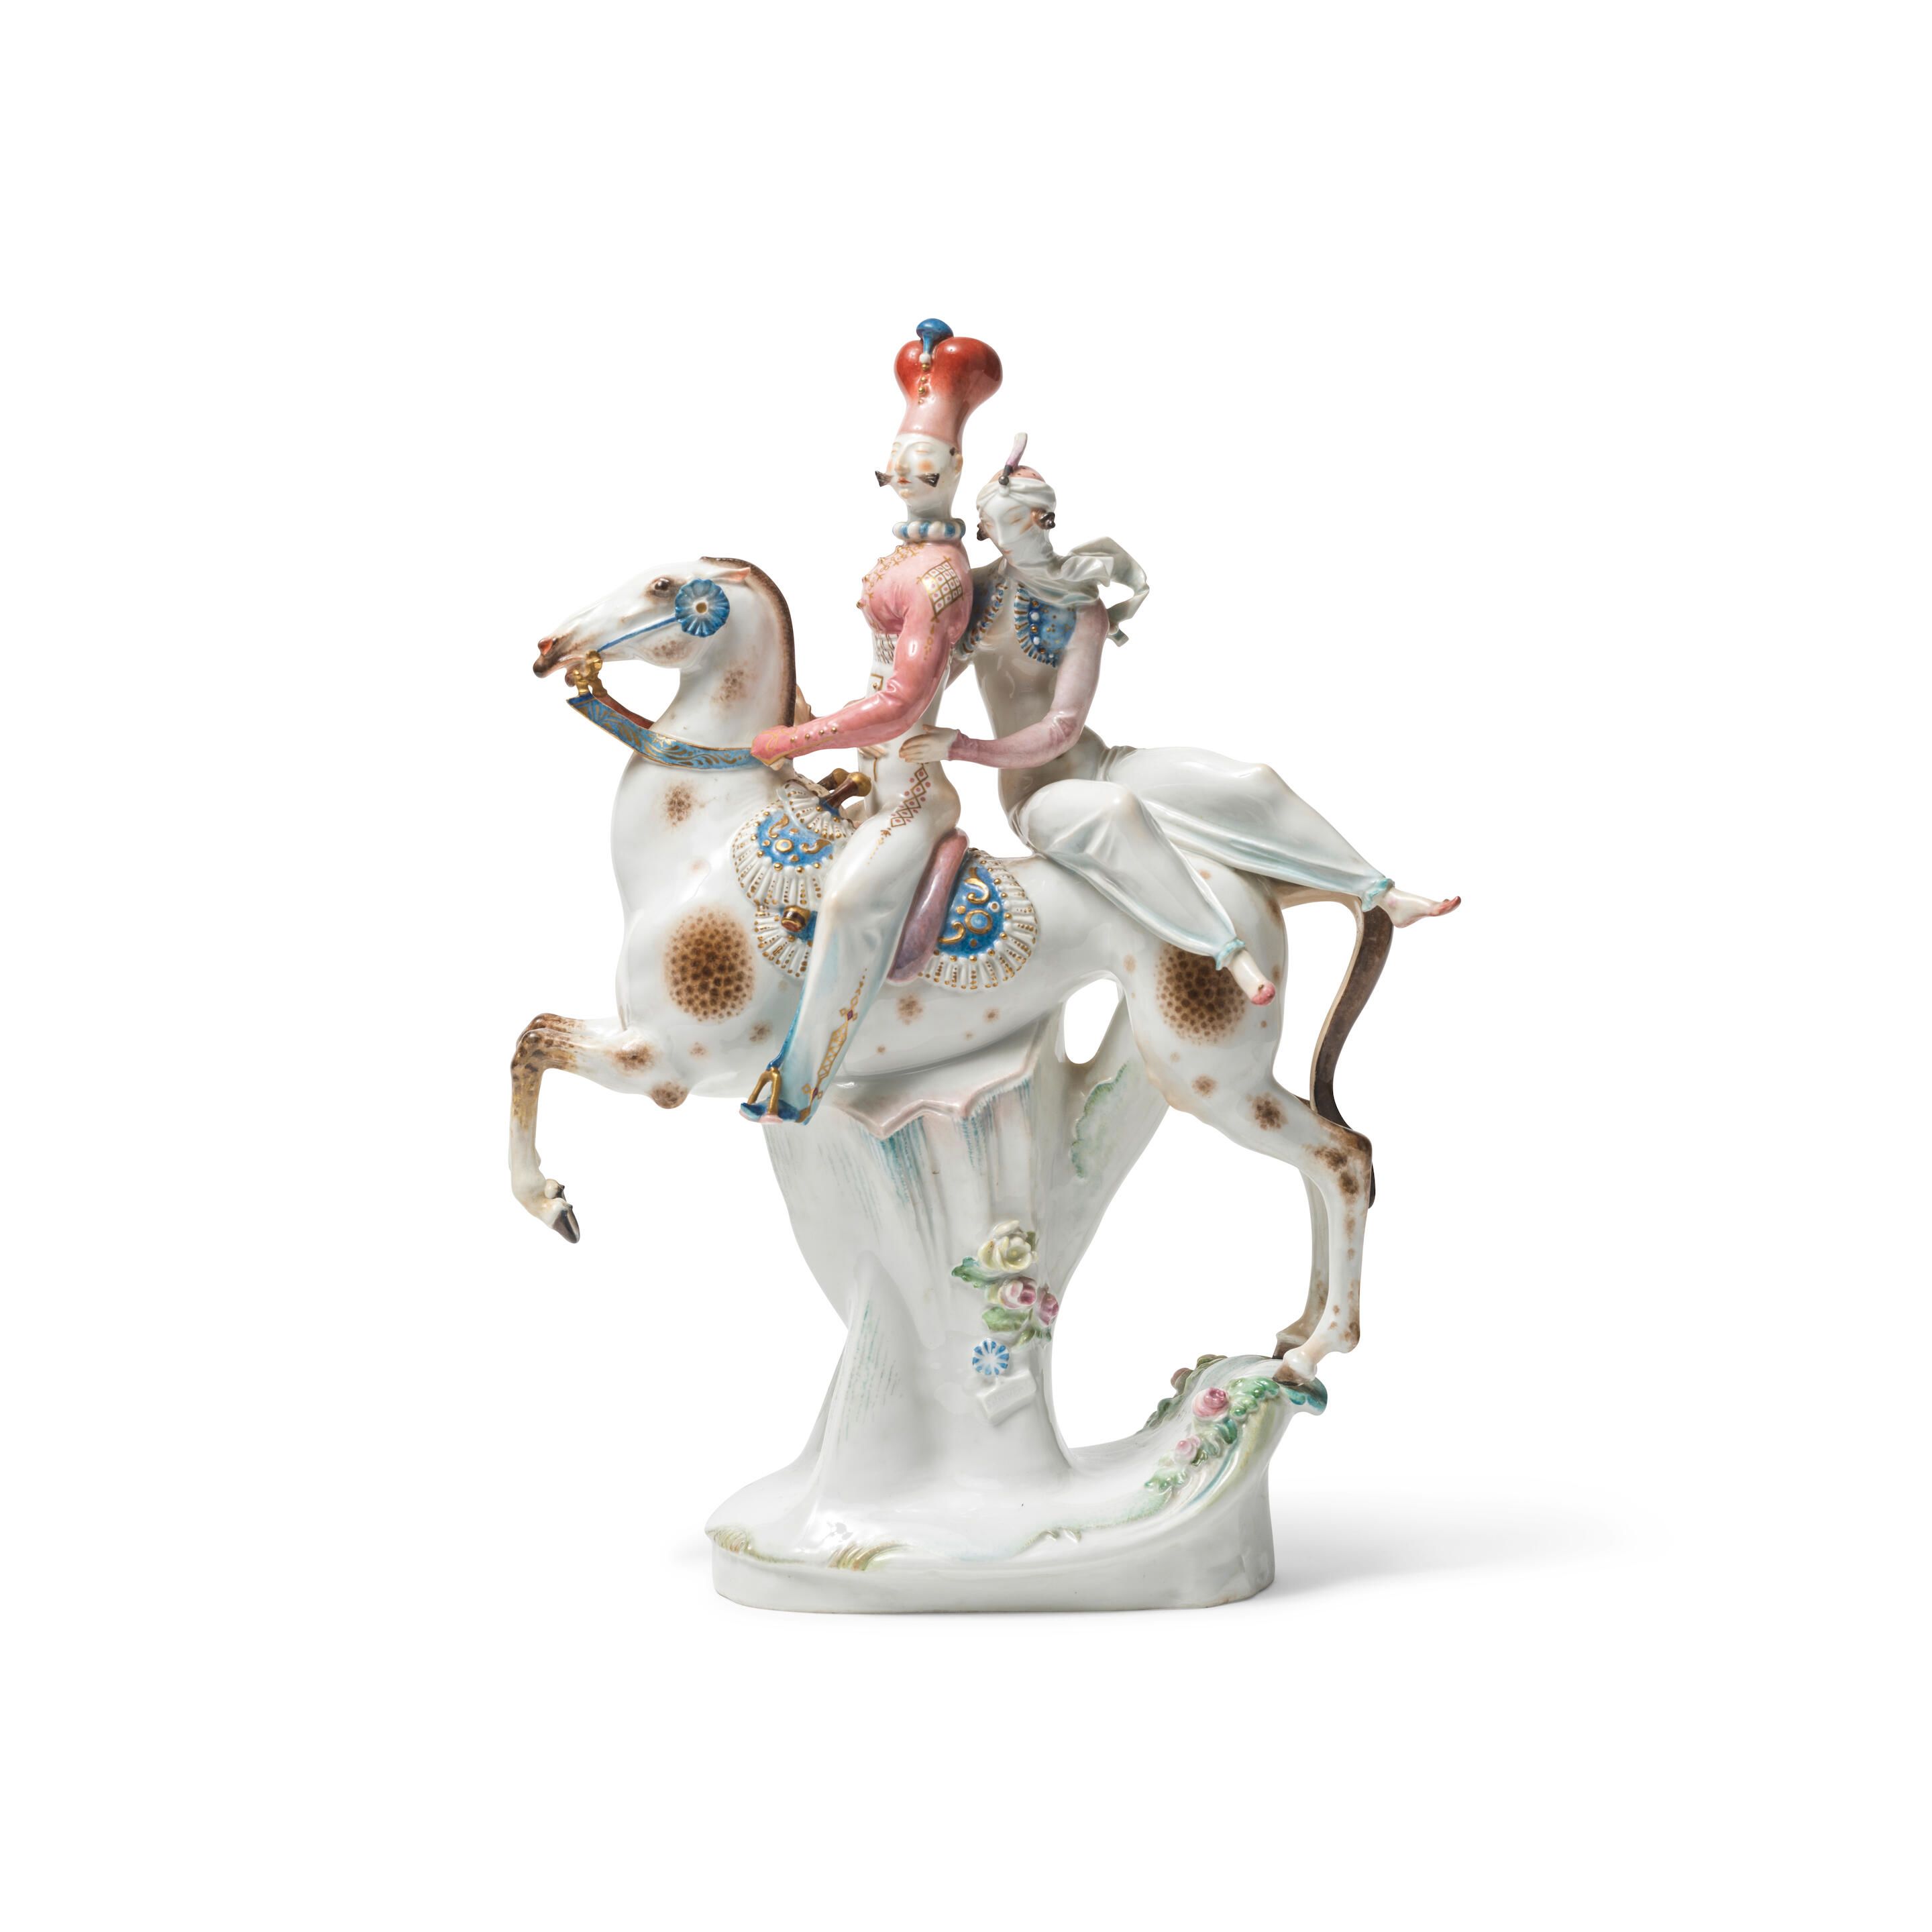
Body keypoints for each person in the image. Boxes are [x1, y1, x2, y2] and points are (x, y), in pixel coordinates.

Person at [897, 443, 1459, 980]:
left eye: (1023, 522)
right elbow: (928, 675)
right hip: (1036, 794)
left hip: (1098, 762)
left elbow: (1063, 727)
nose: (1008, 536)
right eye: (996, 526)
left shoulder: (1082, 604)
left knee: (1253, 781)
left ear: (1044, 520)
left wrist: (965, 747)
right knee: (1115, 812)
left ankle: (1379, 891)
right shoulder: (977, 597)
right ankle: (1223, 946)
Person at [740, 321, 1002, 1124]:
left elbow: (899, 703)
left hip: (911, 789)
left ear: (955, 470)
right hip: (873, 772)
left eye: (925, 468)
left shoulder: (939, 578)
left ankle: (800, 1081)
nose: (906, 481)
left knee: (850, 905)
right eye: (897, 467)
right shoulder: (908, 558)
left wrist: (797, 739)